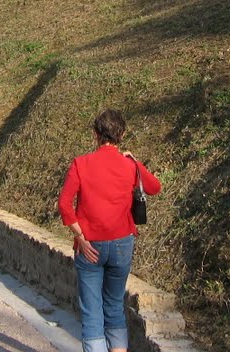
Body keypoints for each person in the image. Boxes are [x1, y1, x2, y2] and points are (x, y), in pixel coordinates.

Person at [58, 109, 162, 352]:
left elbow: (64, 205)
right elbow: (155, 187)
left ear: (95, 135)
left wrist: (79, 236)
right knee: (115, 307)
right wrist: (135, 162)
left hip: (90, 245)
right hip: (122, 244)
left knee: (92, 312)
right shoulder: (129, 165)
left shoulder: (80, 164)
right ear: (122, 135)